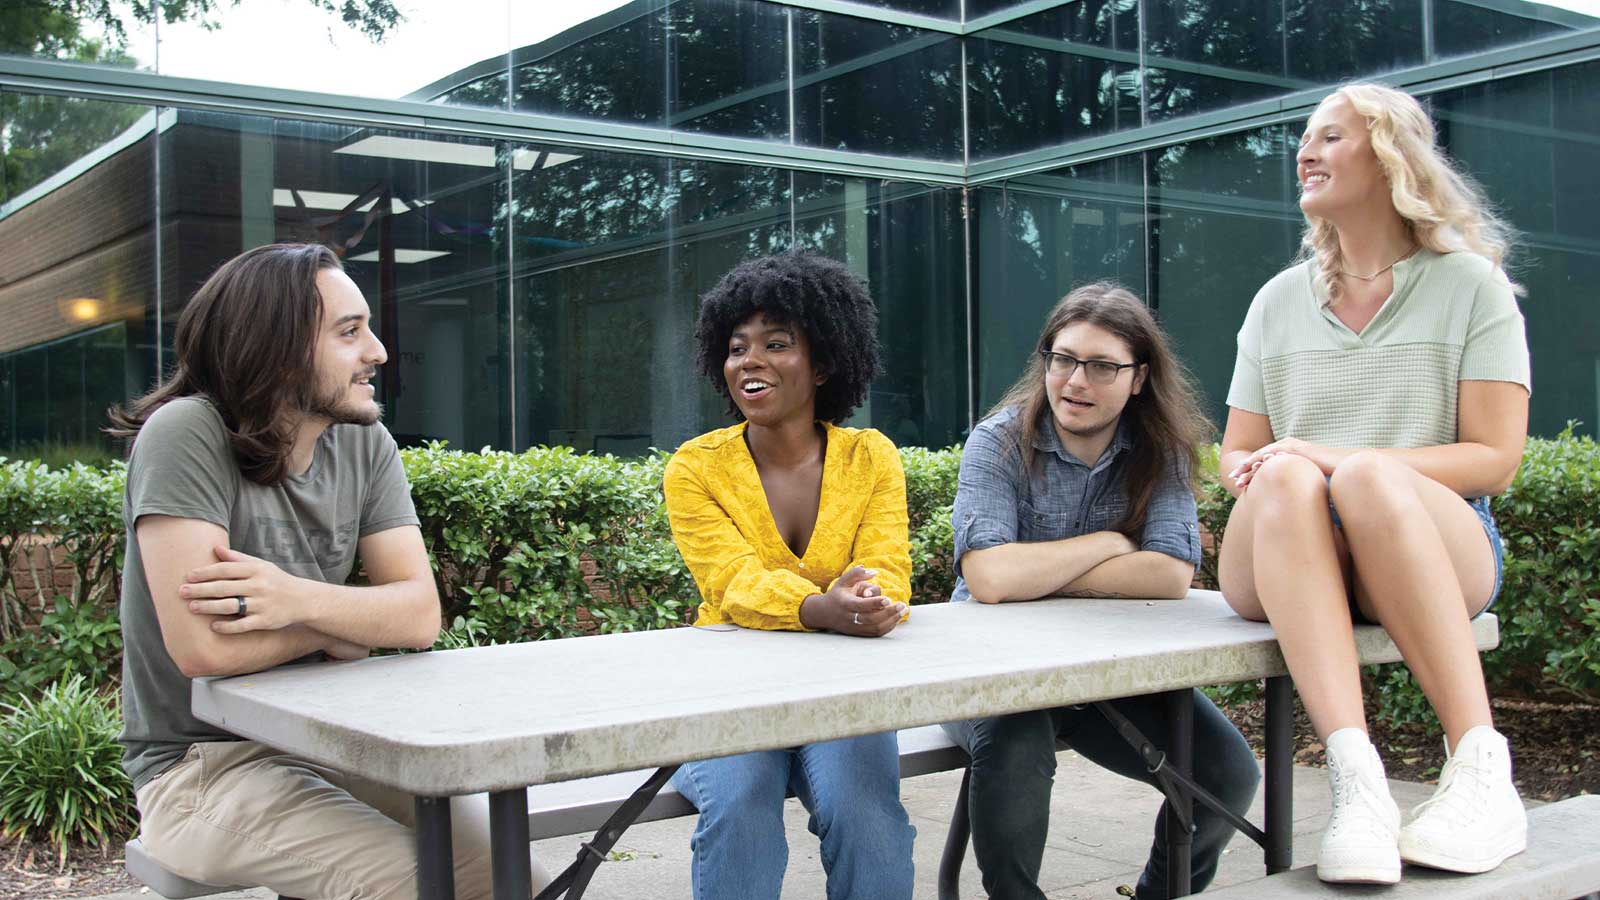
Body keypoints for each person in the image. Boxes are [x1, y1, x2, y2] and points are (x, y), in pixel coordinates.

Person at [110, 243, 550, 898]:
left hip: (337, 746)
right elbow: (203, 647)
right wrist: (340, 628)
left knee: (519, 879)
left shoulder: (364, 442)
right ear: (275, 345)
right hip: (202, 770)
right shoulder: (187, 433)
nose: (378, 351)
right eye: (350, 332)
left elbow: (418, 615)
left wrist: (291, 600)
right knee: (428, 888)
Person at [1218, 83, 1531, 884]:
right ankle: (1359, 784)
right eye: (1305, 139)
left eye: (1330, 137)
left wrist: (1334, 457)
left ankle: (1481, 769)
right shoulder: (1275, 302)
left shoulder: (1472, 287)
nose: (1305, 152)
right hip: (1289, 552)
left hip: (1432, 542)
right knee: (1288, 476)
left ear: (1390, 155)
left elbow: (1494, 460)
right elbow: (1237, 458)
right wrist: (1286, 465)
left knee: (1359, 472)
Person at [941, 282, 1260, 900]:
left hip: (1110, 676)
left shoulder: (1160, 450)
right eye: (1063, 359)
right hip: (990, 668)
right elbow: (988, 577)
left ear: (1139, 378)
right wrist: (1110, 543)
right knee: (1016, 737)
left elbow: (1169, 575)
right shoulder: (998, 441)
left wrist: (1034, 573)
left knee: (1227, 775)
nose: (1075, 381)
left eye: (1102, 366)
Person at [662, 252, 917, 900]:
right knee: (742, 807)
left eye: (777, 344)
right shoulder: (696, 468)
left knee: (867, 818)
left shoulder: (871, 457)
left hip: (842, 690)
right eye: (737, 346)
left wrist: (867, 600)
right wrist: (818, 609)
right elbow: (731, 581)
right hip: (729, 691)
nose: (749, 359)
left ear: (824, 361)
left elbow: (887, 566)